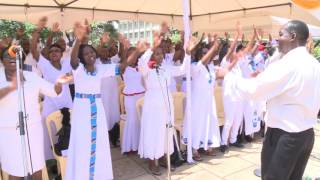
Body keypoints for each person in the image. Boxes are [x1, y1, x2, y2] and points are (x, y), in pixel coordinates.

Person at [221, 20, 320, 180]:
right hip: (306, 135)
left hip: (284, 136)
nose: (277, 39)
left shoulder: (287, 64)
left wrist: (228, 77)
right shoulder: (314, 64)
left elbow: (255, 90)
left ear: (292, 36)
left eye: (281, 34)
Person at [0, 47, 69, 180]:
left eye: (16, 57)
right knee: (15, 169)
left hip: (33, 128)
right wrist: (10, 88)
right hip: (9, 131)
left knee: (36, 165)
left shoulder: (31, 76)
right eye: (8, 57)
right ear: (3, 60)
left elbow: (53, 91)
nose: (13, 60)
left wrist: (59, 83)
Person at [65, 22, 120, 180]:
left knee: (99, 142)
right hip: (82, 110)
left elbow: (121, 67)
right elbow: (73, 59)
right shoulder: (78, 70)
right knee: (82, 143)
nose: (91, 55)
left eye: (92, 53)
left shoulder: (100, 69)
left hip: (97, 108)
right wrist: (79, 39)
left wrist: (135, 50)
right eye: (87, 53)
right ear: (82, 57)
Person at [31, 17, 73, 160]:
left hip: (67, 104)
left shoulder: (67, 63)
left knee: (70, 133)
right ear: (48, 54)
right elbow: (33, 48)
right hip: (50, 107)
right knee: (48, 135)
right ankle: (50, 159)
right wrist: (42, 30)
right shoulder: (45, 65)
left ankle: (67, 158)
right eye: (51, 51)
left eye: (57, 51)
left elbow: (72, 73)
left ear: (62, 54)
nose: (54, 52)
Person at [182, 36, 222, 161]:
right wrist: (213, 48)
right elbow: (204, 60)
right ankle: (194, 150)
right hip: (197, 101)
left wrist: (216, 44)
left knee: (208, 122)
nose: (207, 54)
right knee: (197, 123)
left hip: (208, 100)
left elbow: (215, 53)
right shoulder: (194, 66)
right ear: (199, 55)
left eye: (207, 52)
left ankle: (207, 147)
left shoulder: (210, 67)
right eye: (204, 53)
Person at [121, 46, 145, 154]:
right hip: (130, 98)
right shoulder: (124, 68)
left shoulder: (140, 66)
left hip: (141, 96)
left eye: (135, 55)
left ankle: (140, 144)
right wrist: (123, 45)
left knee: (141, 120)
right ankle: (130, 146)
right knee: (132, 120)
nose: (133, 57)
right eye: (131, 55)